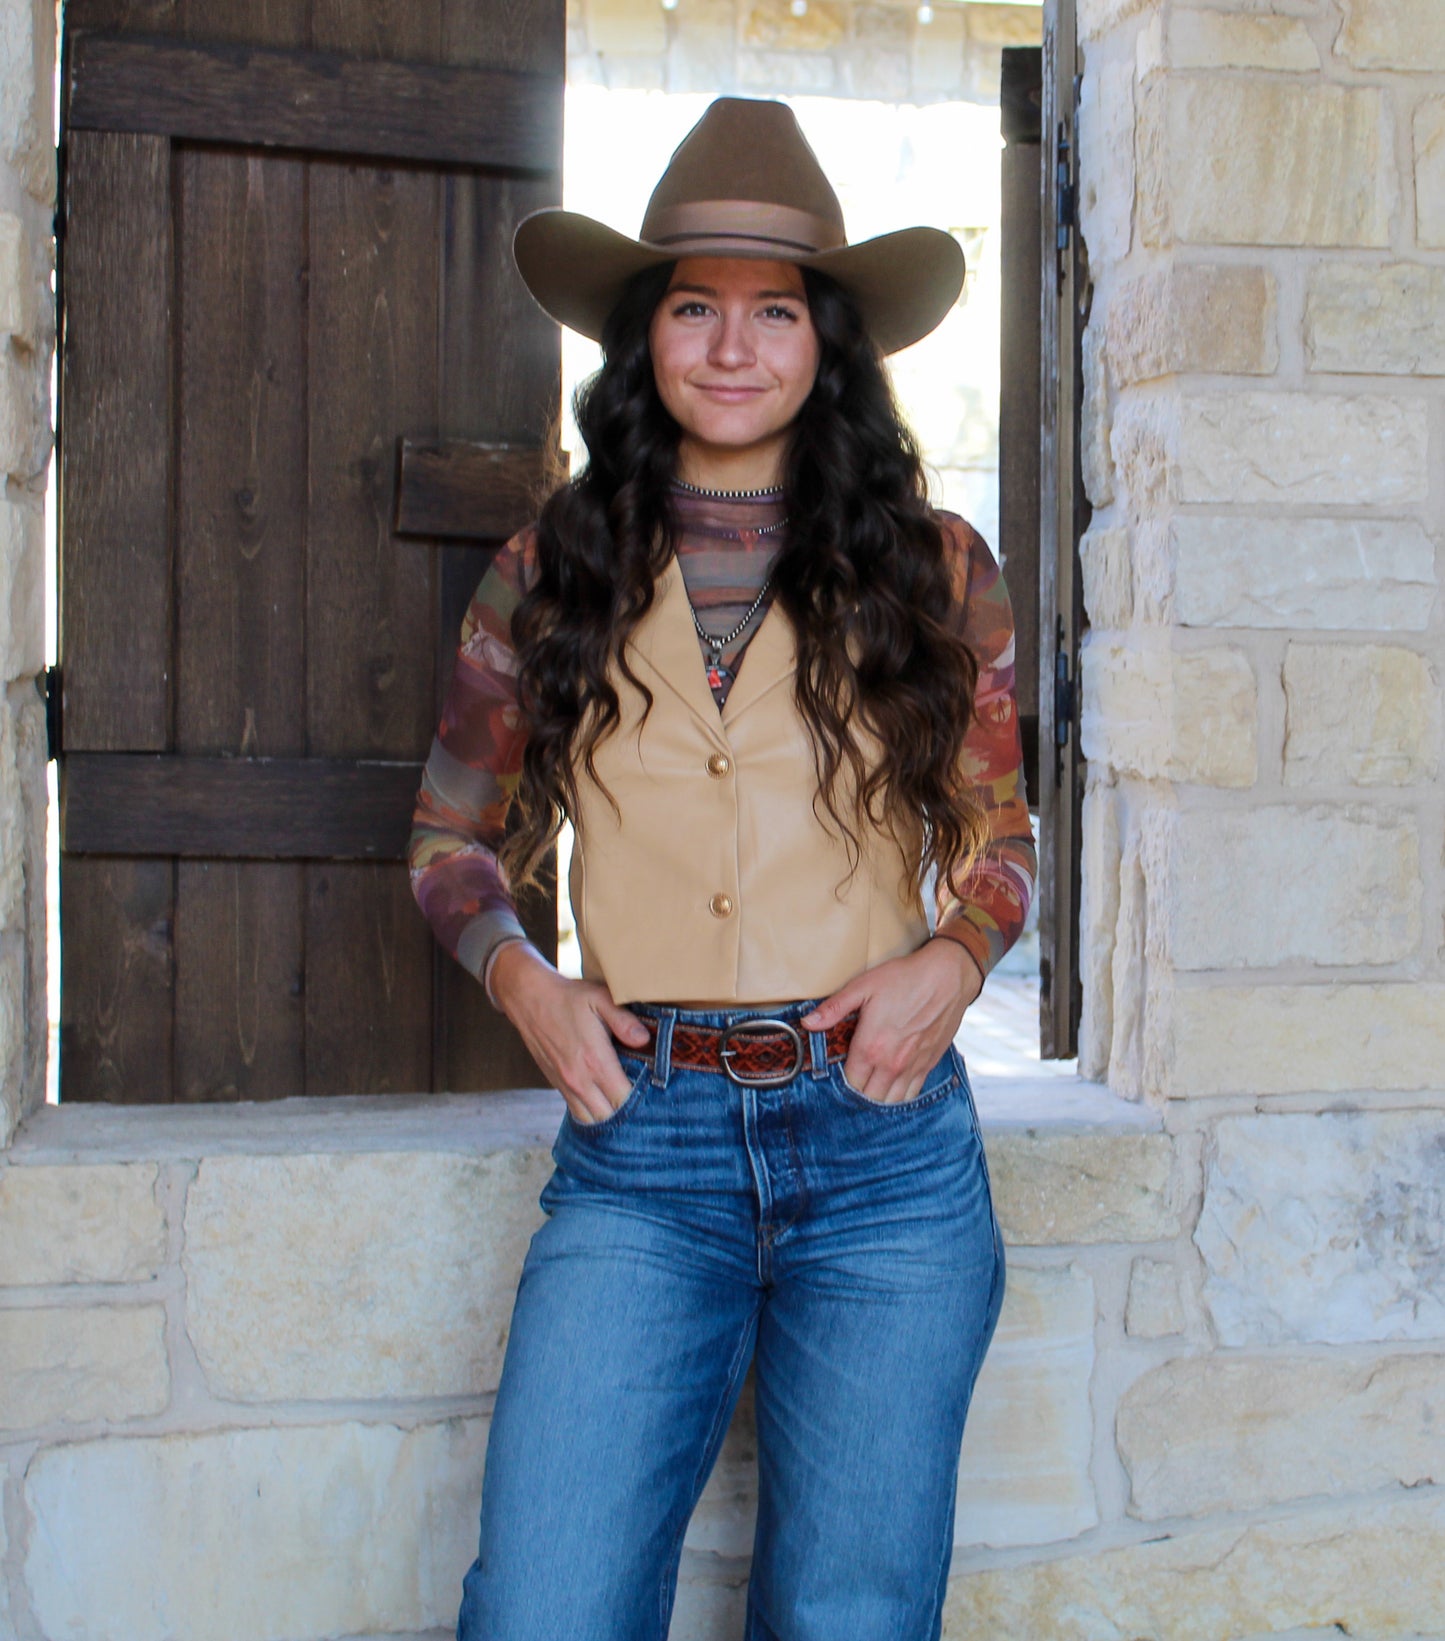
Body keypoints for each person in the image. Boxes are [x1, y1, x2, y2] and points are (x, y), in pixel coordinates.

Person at [409, 96, 1037, 1641]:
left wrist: (948, 966)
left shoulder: (934, 565)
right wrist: (529, 988)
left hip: (884, 1149)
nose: (733, 345)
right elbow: (447, 840)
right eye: (694, 305)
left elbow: (1001, 842)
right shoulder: (549, 564)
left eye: (774, 310)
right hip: (645, 1147)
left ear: (828, 340)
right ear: (646, 337)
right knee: (543, 1608)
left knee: (851, 1615)